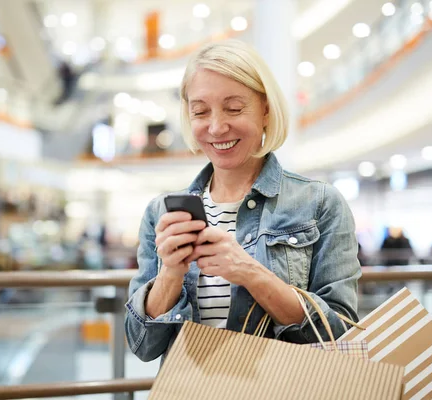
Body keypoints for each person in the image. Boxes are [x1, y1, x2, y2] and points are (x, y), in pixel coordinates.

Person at [124, 40, 361, 363]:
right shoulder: (161, 212)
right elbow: (141, 345)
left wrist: (249, 272)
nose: (217, 127)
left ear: (265, 110)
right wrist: (170, 275)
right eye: (200, 111)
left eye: (234, 108)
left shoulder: (319, 204)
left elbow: (340, 334)